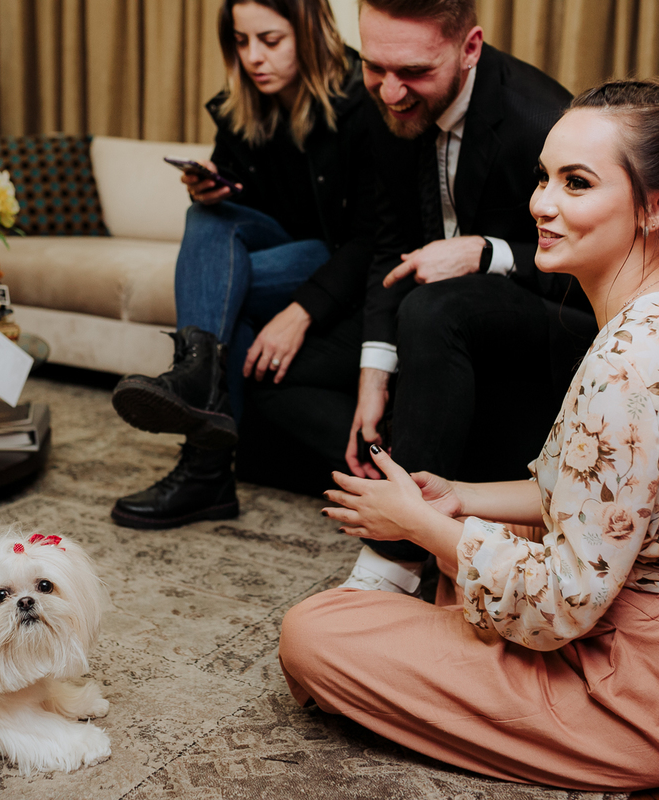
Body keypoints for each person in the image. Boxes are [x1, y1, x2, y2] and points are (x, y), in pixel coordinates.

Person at [278, 79, 659, 791]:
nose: (542, 203)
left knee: (313, 632)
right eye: (544, 178)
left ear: (657, 206)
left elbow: (565, 601)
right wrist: (455, 496)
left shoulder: (632, 362)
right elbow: (584, 496)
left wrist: (421, 527)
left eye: (576, 183)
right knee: (472, 547)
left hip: (632, 700)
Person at [247, 0, 597, 594]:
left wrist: (488, 252)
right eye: (374, 66)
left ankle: (396, 556)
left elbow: (595, 268)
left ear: (469, 48)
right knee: (272, 377)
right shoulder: (383, 102)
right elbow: (390, 246)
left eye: (412, 72)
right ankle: (427, 472)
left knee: (435, 304)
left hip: (550, 316)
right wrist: (374, 375)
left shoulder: (539, 117)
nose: (388, 92)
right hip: (431, 326)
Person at [109, 0, 375, 530]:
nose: (253, 57)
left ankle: (204, 456)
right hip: (271, 253)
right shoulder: (242, 106)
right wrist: (211, 184)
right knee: (208, 219)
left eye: (270, 41)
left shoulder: (362, 100)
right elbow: (237, 196)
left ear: (311, 32)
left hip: (332, 259)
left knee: (226, 293)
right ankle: (203, 388)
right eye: (241, 41)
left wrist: (302, 310)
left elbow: (376, 235)